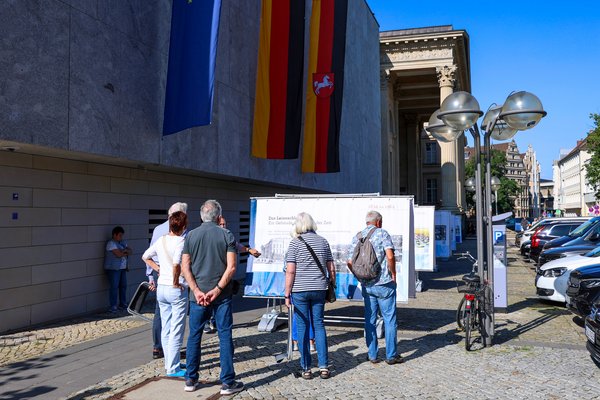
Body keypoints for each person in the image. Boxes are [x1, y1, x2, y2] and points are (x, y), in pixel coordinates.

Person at [181, 200, 244, 395]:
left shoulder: (190, 235)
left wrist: (197, 291)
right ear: (218, 216)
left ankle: (191, 379)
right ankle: (227, 382)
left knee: (194, 336)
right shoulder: (226, 235)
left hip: (197, 296)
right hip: (221, 295)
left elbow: (185, 267)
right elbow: (232, 267)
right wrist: (216, 290)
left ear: (201, 216)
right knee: (225, 335)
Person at [347, 211, 404, 365]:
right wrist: (393, 274)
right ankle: (391, 355)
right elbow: (390, 256)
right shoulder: (382, 233)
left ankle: (372, 354)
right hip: (384, 284)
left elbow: (350, 262)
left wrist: (359, 276)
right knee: (389, 319)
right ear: (378, 222)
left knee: (370, 320)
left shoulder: (358, 236)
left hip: (367, 285)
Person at [284, 212, 335, 380]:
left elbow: (290, 270)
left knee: (303, 327)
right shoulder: (323, 241)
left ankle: (306, 368)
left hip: (299, 290)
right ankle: (324, 367)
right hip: (319, 289)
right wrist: (331, 287)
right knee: (319, 325)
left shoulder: (294, 243)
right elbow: (331, 269)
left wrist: (286, 294)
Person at [142, 211, 188, 377]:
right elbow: (177, 264)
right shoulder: (181, 241)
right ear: (183, 226)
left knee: (166, 328)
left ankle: (170, 364)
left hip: (161, 288)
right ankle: (174, 367)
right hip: (175, 289)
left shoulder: (161, 240)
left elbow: (145, 256)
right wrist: (176, 281)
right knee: (177, 329)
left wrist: (159, 269)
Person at [204, 216, 261, 334]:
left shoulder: (227, 236)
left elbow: (237, 245)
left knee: (221, 301)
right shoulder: (210, 237)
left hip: (223, 275)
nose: (223, 226)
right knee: (208, 301)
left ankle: (215, 322)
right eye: (221, 224)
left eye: (224, 224)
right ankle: (206, 323)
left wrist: (249, 250)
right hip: (209, 275)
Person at [103, 226, 132, 313]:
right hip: (114, 269)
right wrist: (124, 251)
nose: (121, 237)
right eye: (119, 235)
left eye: (122, 235)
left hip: (122, 268)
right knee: (114, 287)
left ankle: (122, 304)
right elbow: (118, 254)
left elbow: (130, 251)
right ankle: (113, 306)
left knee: (123, 286)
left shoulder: (122, 242)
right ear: (114, 235)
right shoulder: (111, 243)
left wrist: (124, 251)